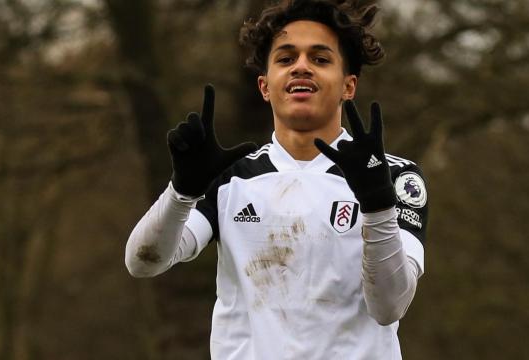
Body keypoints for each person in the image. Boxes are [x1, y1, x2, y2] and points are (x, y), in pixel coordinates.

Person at [125, 0, 428, 358]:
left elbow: (389, 307)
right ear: (265, 86)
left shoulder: (394, 177)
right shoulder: (229, 179)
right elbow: (143, 262)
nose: (301, 67)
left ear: (349, 86)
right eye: (286, 59)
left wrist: (377, 206)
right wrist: (182, 190)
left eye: (320, 59)